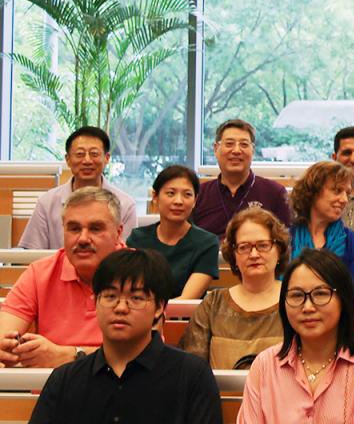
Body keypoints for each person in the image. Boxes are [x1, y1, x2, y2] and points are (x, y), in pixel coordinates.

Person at [29, 249, 221, 423]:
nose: (120, 308)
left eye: (136, 298)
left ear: (159, 308)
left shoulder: (191, 375)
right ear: (95, 302)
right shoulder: (65, 379)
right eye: (110, 297)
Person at [237, 249, 354, 423]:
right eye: (297, 295)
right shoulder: (265, 366)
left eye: (321, 294)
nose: (307, 307)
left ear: (343, 299)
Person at [0, 187, 125, 368]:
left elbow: (145, 352)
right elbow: (3, 336)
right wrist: (6, 349)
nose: (83, 238)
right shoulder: (39, 274)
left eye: (95, 228)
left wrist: (70, 355)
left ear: (118, 233)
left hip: (122, 391)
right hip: (53, 392)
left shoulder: (141, 273)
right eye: (74, 229)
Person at [179, 207, 288, 369]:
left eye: (263, 245)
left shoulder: (294, 301)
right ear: (233, 255)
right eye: (244, 247)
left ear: (278, 250)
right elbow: (192, 370)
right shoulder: (213, 304)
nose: (254, 254)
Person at [18, 126, 137, 249]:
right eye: (80, 154)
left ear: (106, 158)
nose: (87, 160)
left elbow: (126, 260)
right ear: (68, 159)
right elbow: (32, 254)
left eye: (94, 154)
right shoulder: (47, 203)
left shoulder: (125, 204)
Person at [127, 165, 219, 299]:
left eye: (187, 195)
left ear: (195, 201)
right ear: (155, 197)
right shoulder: (137, 238)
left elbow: (186, 300)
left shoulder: (207, 243)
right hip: (141, 315)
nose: (178, 201)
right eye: (171, 193)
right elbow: (130, 290)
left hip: (183, 317)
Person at [192, 119, 291, 237]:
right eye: (229, 144)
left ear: (253, 150)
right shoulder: (199, 194)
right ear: (216, 149)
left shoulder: (275, 193)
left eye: (244, 144)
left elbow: (285, 241)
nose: (236, 151)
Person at [288, 160, 354, 299]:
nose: (344, 199)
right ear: (313, 192)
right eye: (337, 191)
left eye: (347, 193)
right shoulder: (285, 238)